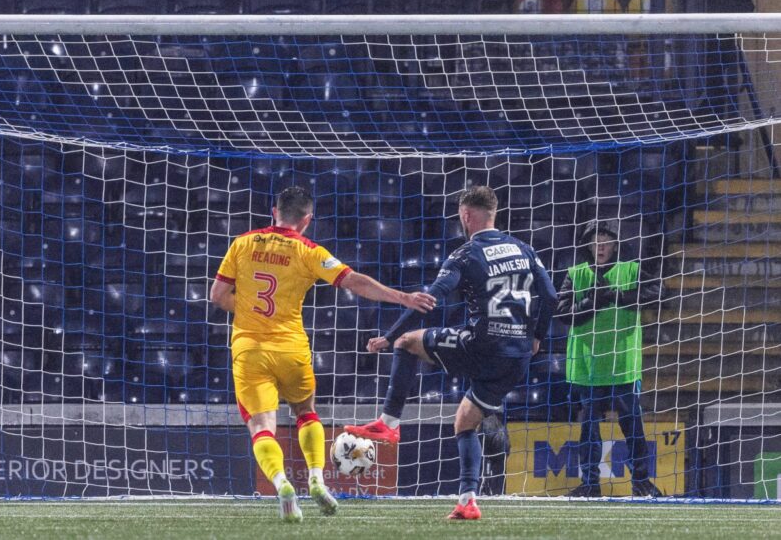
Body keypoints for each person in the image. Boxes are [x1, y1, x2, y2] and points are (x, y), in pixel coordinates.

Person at [209, 186, 436, 523]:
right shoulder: (309, 250)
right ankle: (316, 477)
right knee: (305, 412)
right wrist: (403, 298)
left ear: (275, 212)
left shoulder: (242, 243)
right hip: (292, 348)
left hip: (249, 349)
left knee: (261, 427)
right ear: (307, 219)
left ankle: (281, 483)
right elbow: (354, 281)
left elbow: (217, 295)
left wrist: (244, 310)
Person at [344, 186, 558, 520]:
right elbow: (551, 296)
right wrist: (537, 337)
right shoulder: (524, 249)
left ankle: (388, 423)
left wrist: (388, 336)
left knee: (406, 343)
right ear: (494, 213)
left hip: (483, 345)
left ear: (465, 215)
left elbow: (429, 300)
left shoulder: (466, 254)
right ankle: (468, 500)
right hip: (517, 355)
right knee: (466, 422)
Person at [556, 219, 663, 498]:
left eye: (605, 239)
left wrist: (618, 295)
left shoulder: (631, 270)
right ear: (588, 245)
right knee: (589, 429)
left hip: (622, 364)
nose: (600, 245)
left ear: (615, 244)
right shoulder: (575, 274)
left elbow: (658, 294)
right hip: (587, 365)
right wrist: (591, 303)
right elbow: (562, 313)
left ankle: (640, 482)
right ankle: (590, 483)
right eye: (595, 240)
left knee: (632, 426)